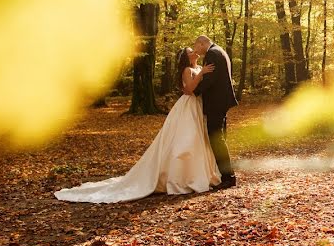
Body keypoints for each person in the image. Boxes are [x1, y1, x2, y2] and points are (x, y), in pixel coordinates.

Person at [54, 47, 221, 203]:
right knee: (185, 140)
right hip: (188, 106)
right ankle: (181, 178)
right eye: (191, 51)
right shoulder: (188, 70)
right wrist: (201, 74)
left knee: (199, 140)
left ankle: (198, 174)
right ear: (186, 57)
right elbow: (189, 90)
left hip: (199, 107)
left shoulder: (199, 68)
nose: (195, 52)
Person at [191, 35, 238, 188]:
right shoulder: (220, 51)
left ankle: (228, 177)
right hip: (221, 102)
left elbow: (210, 79)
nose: (196, 51)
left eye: (196, 47)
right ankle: (225, 174)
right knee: (220, 138)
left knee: (216, 139)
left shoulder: (212, 53)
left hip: (216, 103)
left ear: (202, 43)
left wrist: (194, 91)